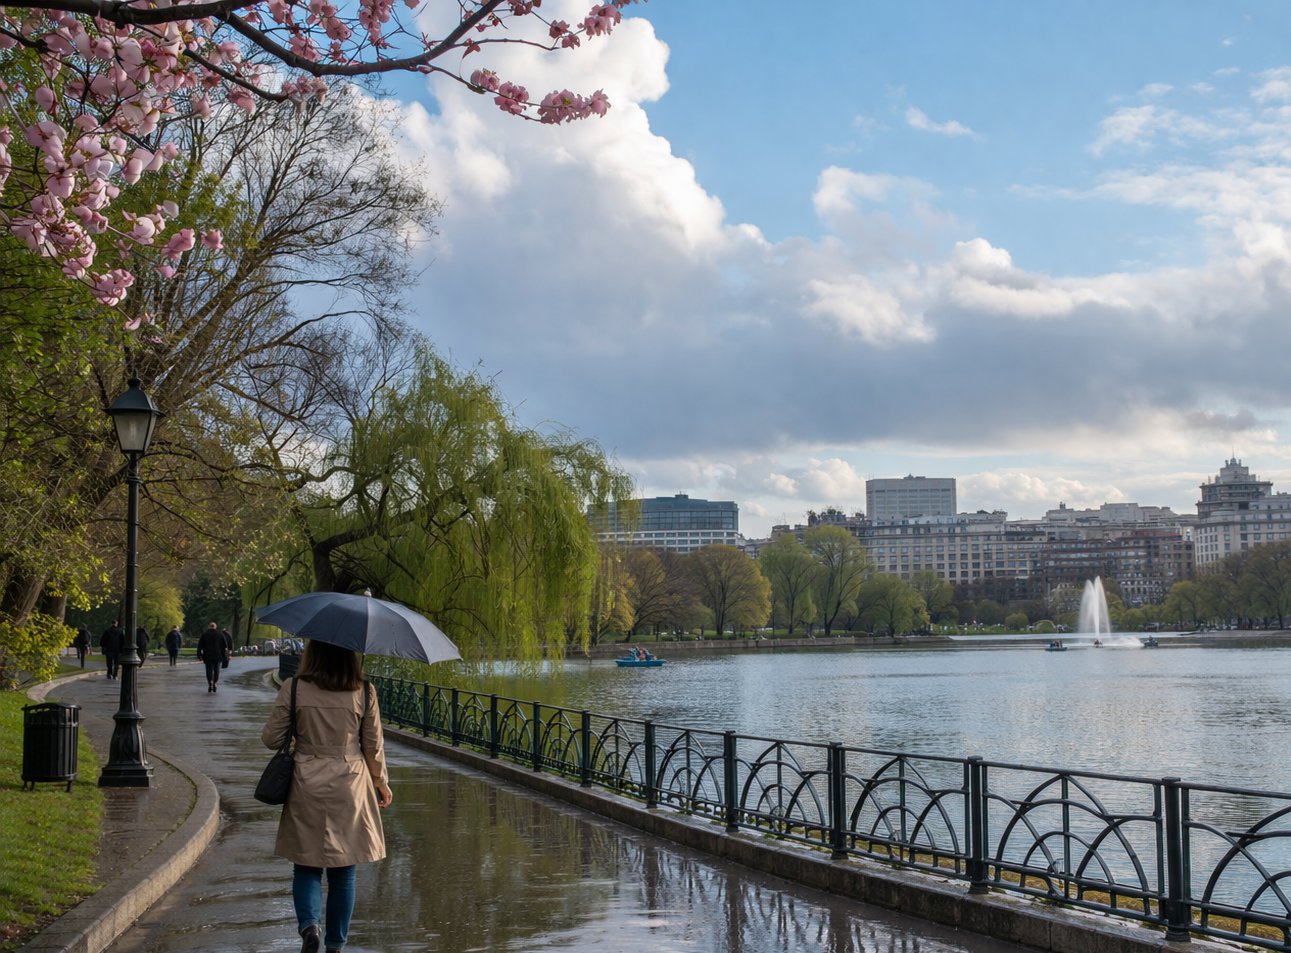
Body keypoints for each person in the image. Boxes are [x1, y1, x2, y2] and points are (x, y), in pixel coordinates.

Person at [262, 640, 392, 953]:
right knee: (344, 870)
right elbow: (373, 746)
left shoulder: (294, 688)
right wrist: (381, 782)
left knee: (306, 864)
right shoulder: (364, 691)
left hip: (306, 779)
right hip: (351, 781)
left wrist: (298, 728)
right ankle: (335, 945)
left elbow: (270, 739)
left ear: (312, 653)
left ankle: (310, 927)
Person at [196, 622, 226, 692]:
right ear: (215, 627)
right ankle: (215, 683)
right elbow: (224, 646)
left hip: (207, 655)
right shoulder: (220, 635)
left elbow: (200, 646)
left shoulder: (204, 635)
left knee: (208, 670)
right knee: (216, 670)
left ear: (209, 627)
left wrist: (199, 655)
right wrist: (224, 656)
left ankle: (210, 682)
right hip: (217, 655)